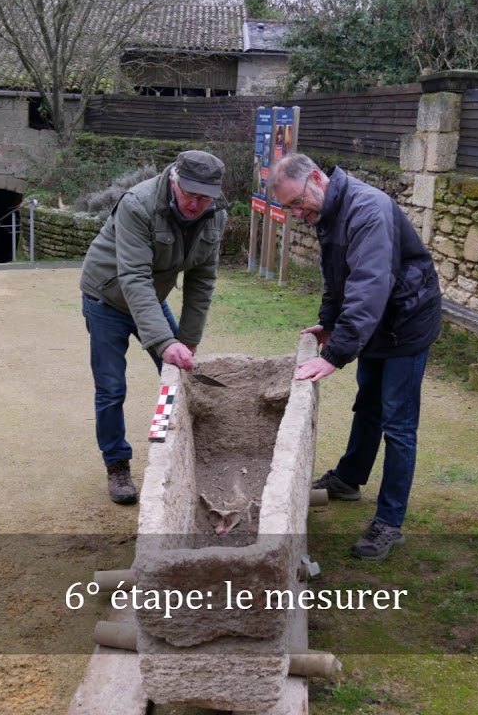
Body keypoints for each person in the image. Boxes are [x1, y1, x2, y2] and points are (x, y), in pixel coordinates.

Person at [269, 153, 442, 560]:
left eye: (297, 203)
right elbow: (336, 277)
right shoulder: (329, 212)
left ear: (315, 178)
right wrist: (329, 322)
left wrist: (337, 354)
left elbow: (369, 284)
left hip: (406, 322)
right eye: (290, 208)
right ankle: (349, 479)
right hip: (377, 326)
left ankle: (390, 521)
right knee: (367, 405)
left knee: (398, 423)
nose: (297, 213)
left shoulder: (369, 210)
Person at [79, 150, 228, 505]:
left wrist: (187, 341)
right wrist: (164, 340)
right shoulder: (138, 204)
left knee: (176, 375)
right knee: (112, 388)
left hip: (150, 297)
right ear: (174, 180)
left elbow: (202, 280)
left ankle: (165, 444)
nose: (196, 204)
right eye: (191, 194)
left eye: (205, 197)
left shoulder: (214, 215)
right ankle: (117, 464)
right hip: (107, 298)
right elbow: (133, 276)